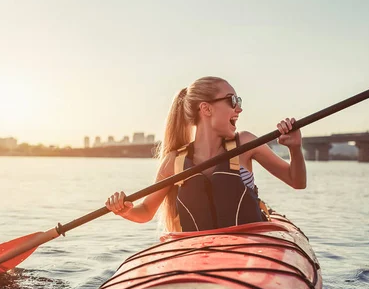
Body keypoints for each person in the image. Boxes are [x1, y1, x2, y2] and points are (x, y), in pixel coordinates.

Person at [105, 76, 306, 232]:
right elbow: (146, 211)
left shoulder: (245, 143)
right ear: (206, 108)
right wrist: (125, 210)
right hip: (201, 255)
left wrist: (295, 149)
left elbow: (296, 181)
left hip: (252, 249)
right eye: (233, 100)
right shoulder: (174, 162)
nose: (239, 108)